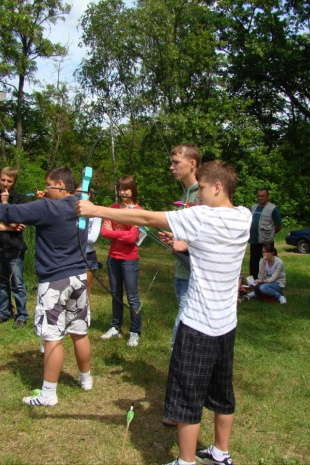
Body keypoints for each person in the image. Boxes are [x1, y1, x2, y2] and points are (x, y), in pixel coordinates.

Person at [76, 160, 251, 465]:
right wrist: (183, 242)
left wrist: (95, 210)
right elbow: (208, 242)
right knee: (223, 393)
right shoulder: (244, 216)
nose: (198, 196)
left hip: (198, 326)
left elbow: (144, 216)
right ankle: (221, 453)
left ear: (218, 188)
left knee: (187, 397)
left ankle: (185, 461)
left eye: (204, 189)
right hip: (226, 326)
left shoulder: (200, 217)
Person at [0, 166, 93, 405]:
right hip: (79, 277)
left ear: (60, 184)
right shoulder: (82, 205)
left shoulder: (46, 208)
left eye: (49, 185)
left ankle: (48, 394)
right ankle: (86, 379)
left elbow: (8, 211)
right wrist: (48, 198)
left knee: (53, 337)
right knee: (79, 331)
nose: (45, 189)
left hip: (55, 281)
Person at [158, 144, 200, 353]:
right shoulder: (187, 194)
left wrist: (186, 244)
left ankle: (178, 363)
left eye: (176, 163)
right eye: (171, 163)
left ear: (192, 164)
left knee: (185, 322)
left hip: (194, 273)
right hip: (183, 271)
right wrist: (174, 237)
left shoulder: (201, 193)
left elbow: (211, 233)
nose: (171, 167)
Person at [100, 175, 143, 348]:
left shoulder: (138, 210)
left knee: (132, 297)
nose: (122, 192)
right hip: (113, 258)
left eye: (125, 188)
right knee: (116, 295)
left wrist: (116, 233)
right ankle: (115, 327)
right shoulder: (113, 208)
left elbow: (133, 237)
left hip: (129, 260)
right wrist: (123, 235)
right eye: (119, 188)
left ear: (132, 189)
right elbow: (104, 232)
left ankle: (135, 331)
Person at [0, 167, 29, 328]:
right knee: (1, 282)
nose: (5, 184)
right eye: (3, 180)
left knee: (17, 282)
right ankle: (4, 312)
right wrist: (8, 227)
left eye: (9, 181)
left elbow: (16, 221)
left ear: (14, 182)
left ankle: (22, 314)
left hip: (14, 247)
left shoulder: (19, 200)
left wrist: (4, 204)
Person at [75, 186, 101, 316]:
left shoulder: (95, 213)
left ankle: (86, 317)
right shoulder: (71, 211)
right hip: (73, 253)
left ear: (90, 195)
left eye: (84, 193)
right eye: (77, 193)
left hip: (88, 255)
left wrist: (74, 234)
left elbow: (92, 238)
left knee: (85, 289)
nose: (80, 195)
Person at [249, 188, 282, 279]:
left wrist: (270, 233)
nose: (260, 198)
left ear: (267, 197)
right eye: (259, 196)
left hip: (266, 241)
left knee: (269, 260)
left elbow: (278, 225)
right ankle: (254, 279)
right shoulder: (254, 207)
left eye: (262, 196)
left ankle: (273, 278)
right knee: (253, 262)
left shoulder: (273, 209)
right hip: (254, 240)